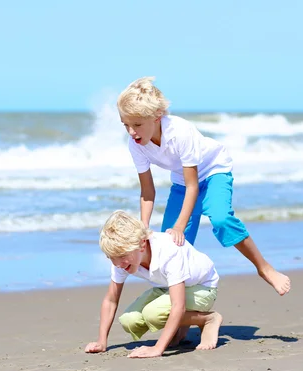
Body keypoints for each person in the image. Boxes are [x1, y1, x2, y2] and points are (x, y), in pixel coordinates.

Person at [117, 76, 291, 296]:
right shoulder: (136, 145)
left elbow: (194, 186)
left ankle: (264, 268)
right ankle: (185, 306)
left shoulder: (180, 132)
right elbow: (148, 192)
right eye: (126, 125)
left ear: (157, 117)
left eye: (137, 125)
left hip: (213, 172)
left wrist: (180, 225)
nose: (132, 132)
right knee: (171, 246)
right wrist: (142, 227)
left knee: (220, 219)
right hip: (182, 182)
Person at [85, 210, 223, 358]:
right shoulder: (122, 259)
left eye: (121, 257)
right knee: (129, 321)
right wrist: (102, 341)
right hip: (167, 287)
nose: (118, 263)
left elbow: (178, 305)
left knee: (153, 315)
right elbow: (111, 299)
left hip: (202, 287)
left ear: (142, 245)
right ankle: (182, 328)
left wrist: (158, 348)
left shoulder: (168, 250)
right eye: (111, 258)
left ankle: (209, 319)